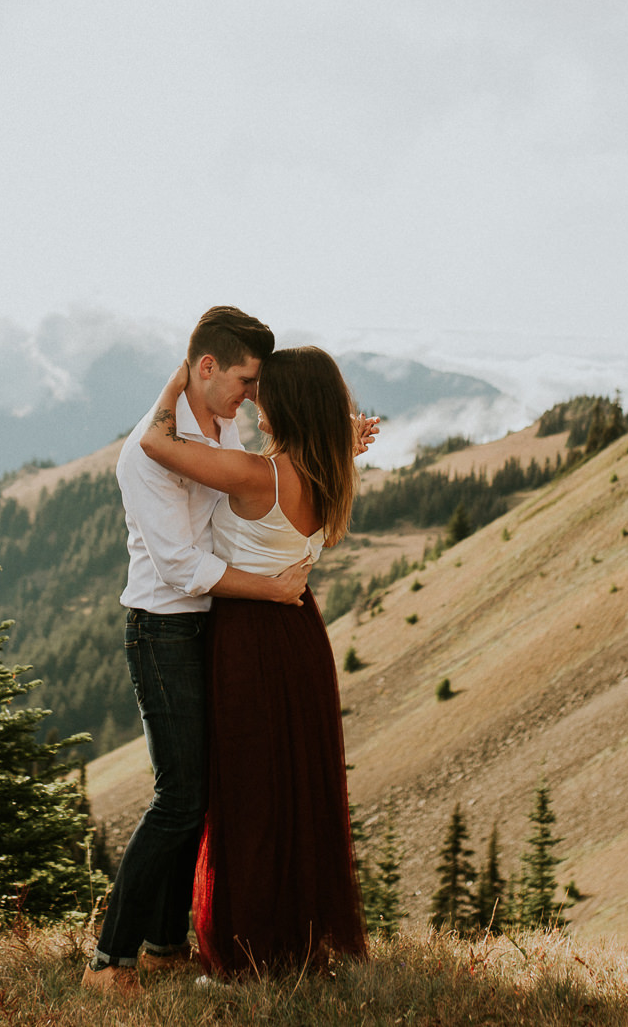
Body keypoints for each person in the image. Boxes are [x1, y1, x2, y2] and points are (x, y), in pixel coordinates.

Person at [83, 307, 315, 997]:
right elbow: (183, 567)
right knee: (178, 799)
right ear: (205, 368)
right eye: (245, 379)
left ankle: (161, 945)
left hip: (207, 626)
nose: (252, 394)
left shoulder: (223, 418)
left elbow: (237, 497)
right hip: (163, 628)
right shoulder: (144, 454)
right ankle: (108, 959)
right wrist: (271, 590)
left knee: (200, 792)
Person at [136, 344, 370, 978]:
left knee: (248, 794)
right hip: (299, 634)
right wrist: (345, 439)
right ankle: (299, 938)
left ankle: (252, 950)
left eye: (263, 392)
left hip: (248, 638)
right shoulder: (329, 471)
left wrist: (182, 373)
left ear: (288, 404)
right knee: (296, 786)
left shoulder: (255, 474)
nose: (253, 399)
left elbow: (156, 445)